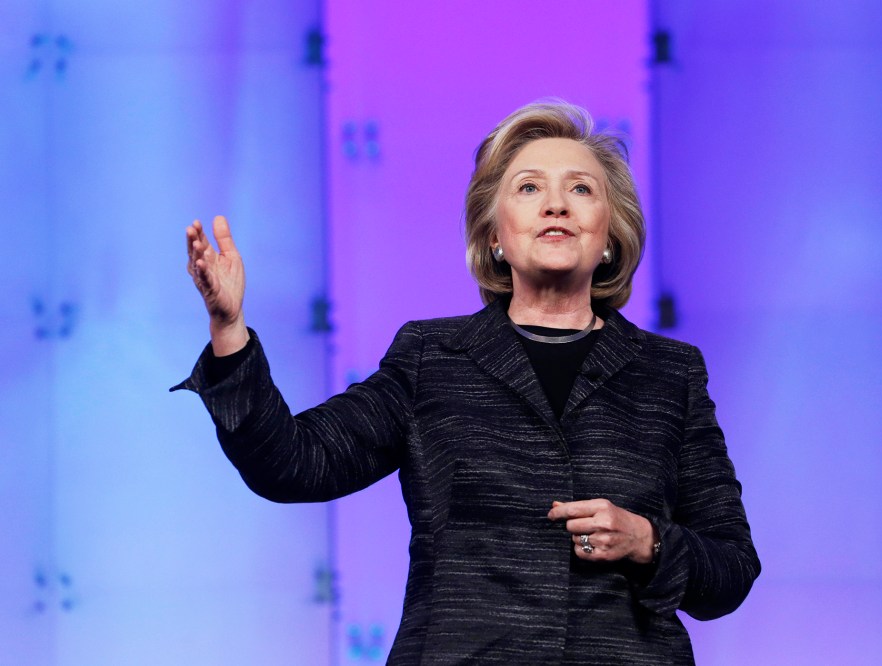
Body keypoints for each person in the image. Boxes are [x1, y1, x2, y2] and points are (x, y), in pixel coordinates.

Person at [175, 100, 760, 664]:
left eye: (581, 188)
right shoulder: (432, 355)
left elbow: (730, 569)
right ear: (494, 238)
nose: (556, 204)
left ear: (610, 237)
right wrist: (230, 330)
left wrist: (648, 542)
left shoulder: (670, 373)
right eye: (529, 188)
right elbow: (293, 464)